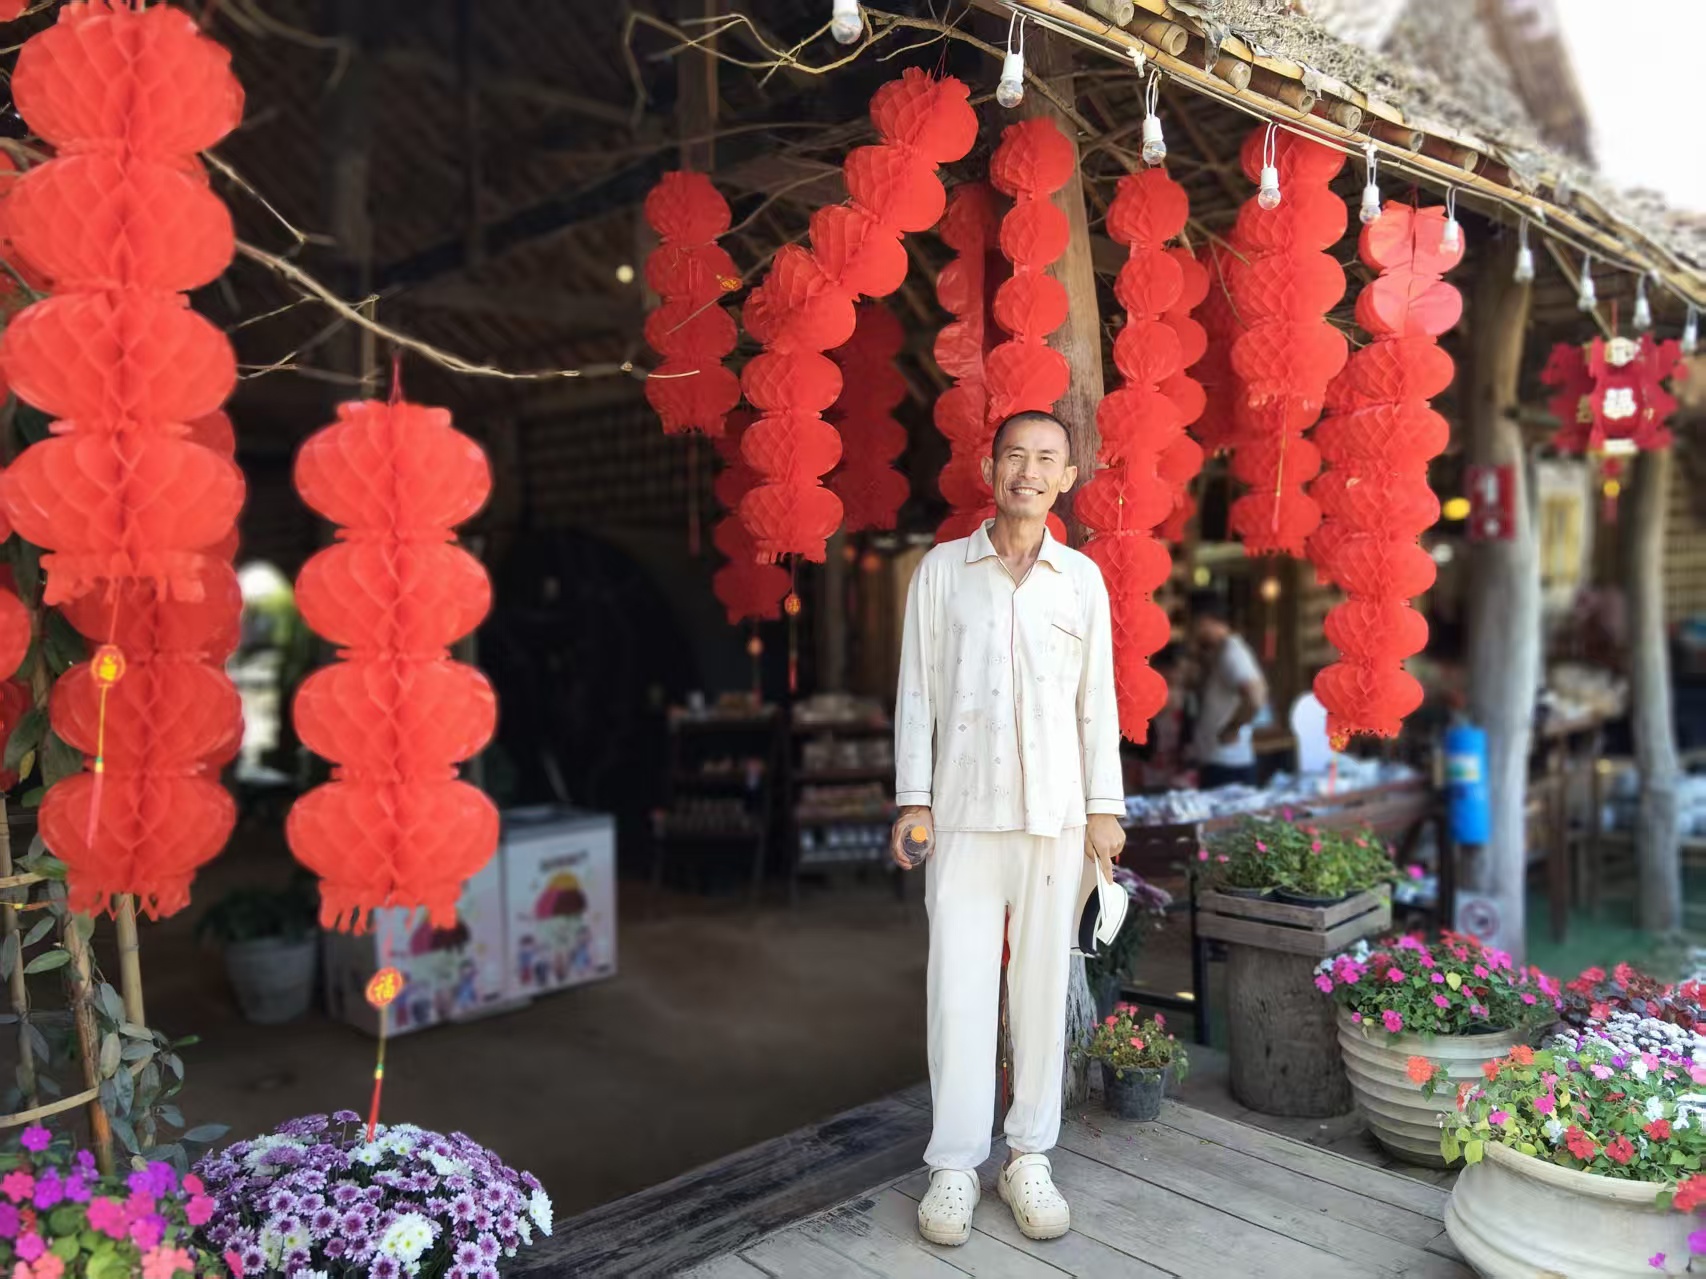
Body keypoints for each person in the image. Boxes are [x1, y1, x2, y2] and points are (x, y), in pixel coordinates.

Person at [892, 410, 1125, 1247]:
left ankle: (1029, 1155)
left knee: (1039, 990)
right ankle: (954, 1165)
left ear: (1067, 478)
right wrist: (913, 797)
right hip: (962, 813)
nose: (1029, 470)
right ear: (990, 469)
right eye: (1015, 455)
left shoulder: (1081, 580)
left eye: (1046, 458)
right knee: (957, 990)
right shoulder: (942, 573)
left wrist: (1105, 806)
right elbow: (917, 690)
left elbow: (1097, 700)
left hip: (1055, 816)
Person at [1187, 588, 1267, 789]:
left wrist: (1233, 728)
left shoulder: (1232, 652)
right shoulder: (1219, 651)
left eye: (1192, 623)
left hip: (1227, 765)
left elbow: (1256, 697)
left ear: (1203, 620)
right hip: (1216, 761)